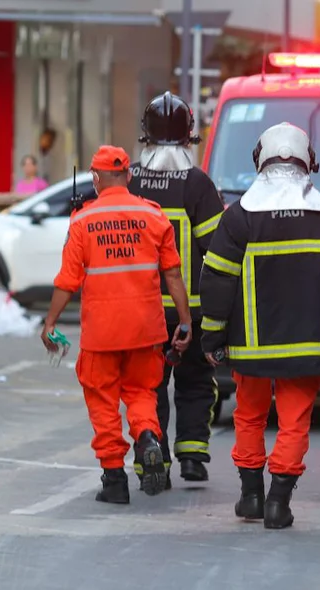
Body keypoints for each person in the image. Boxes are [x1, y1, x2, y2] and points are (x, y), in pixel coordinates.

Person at [199, 122, 320, 530]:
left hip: (250, 349)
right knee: (294, 422)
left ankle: (251, 495)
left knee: (250, 416)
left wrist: (213, 336)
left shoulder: (239, 218)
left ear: (261, 160)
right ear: (309, 161)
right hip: (308, 348)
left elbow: (216, 278)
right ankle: (278, 502)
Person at [40, 145, 192, 504]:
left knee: (102, 400)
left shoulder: (82, 221)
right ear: (130, 175)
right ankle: (148, 439)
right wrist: (184, 321)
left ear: (94, 179)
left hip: (102, 332)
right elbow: (173, 274)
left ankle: (114, 480)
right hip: (146, 329)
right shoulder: (154, 217)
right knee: (142, 394)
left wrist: (50, 323)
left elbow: (67, 281)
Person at [129, 92, 227, 487]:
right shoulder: (198, 184)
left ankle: (156, 456)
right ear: (189, 137)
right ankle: (191, 455)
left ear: (145, 136)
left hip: (141, 309)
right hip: (193, 310)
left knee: (148, 386)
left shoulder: (131, 180)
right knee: (196, 383)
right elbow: (217, 250)